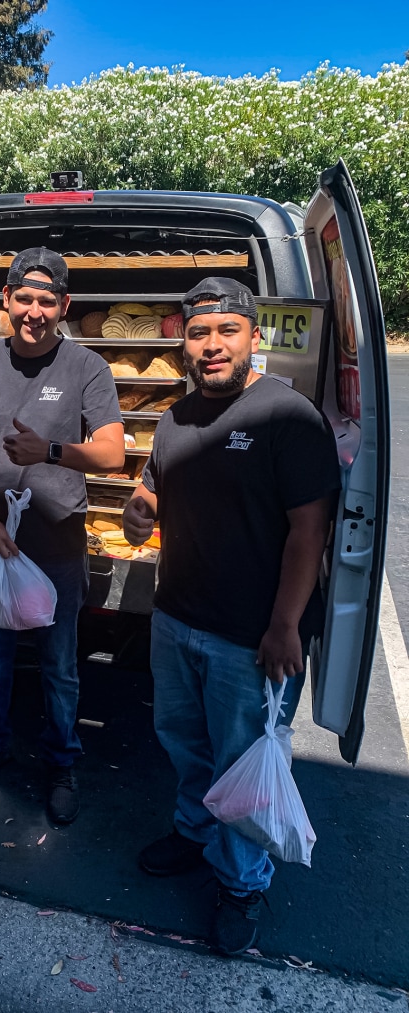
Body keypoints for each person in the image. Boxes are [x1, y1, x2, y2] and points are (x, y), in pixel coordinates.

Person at [121, 277, 340, 955]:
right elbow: (153, 481)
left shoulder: (287, 417)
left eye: (226, 331)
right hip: (176, 616)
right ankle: (193, 832)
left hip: (248, 637)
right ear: (182, 341)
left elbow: (311, 531)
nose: (212, 346)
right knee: (183, 742)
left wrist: (284, 625)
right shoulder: (175, 416)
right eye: (198, 332)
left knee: (242, 765)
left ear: (254, 336)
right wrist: (139, 505)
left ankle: (242, 882)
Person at [0, 248, 124, 824]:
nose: (35, 311)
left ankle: (62, 761)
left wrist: (49, 451)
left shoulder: (86, 367)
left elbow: (114, 453)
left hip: (57, 540)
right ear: (7, 300)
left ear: (65, 305)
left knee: (59, 662)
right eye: (25, 298)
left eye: (48, 300)